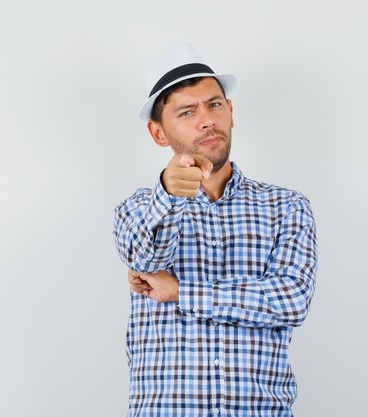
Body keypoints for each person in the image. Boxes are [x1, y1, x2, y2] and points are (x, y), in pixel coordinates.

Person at [112, 43, 318, 417]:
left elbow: (291, 300)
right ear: (159, 134)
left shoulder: (286, 207)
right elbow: (144, 256)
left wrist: (181, 292)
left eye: (215, 104)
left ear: (231, 112)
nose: (207, 120)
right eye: (187, 112)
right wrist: (169, 194)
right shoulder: (138, 209)